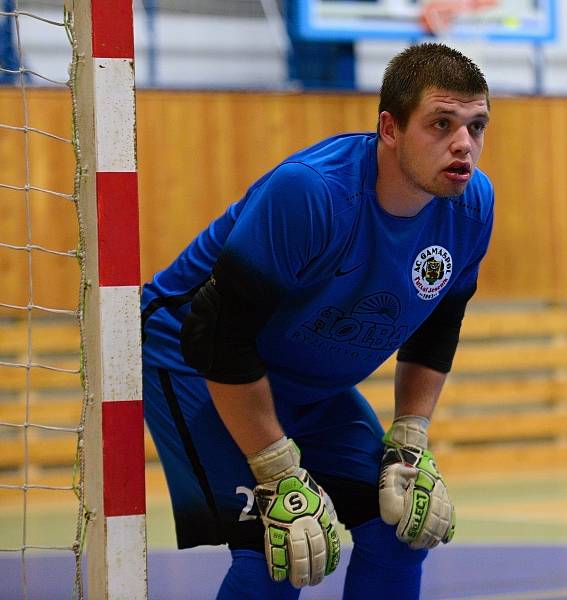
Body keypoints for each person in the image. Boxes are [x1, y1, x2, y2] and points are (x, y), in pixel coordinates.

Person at [140, 42, 493, 599]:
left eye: (476, 126)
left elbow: (437, 323)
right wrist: (277, 470)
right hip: (193, 359)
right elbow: (219, 335)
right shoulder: (312, 192)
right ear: (390, 128)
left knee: (402, 528)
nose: (463, 144)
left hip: (302, 379)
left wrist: (410, 440)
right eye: (441, 123)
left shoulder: (471, 206)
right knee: (281, 549)